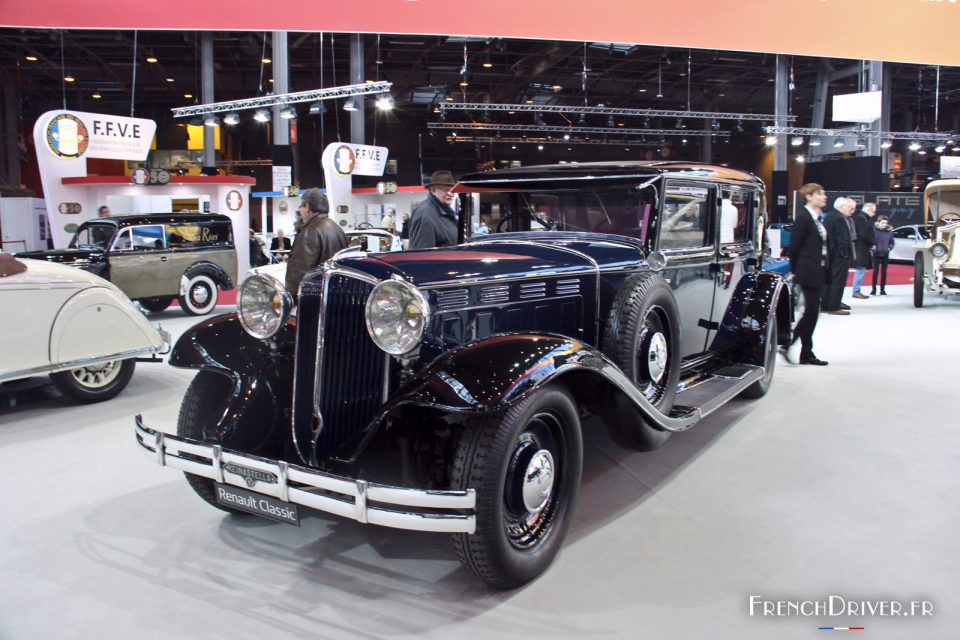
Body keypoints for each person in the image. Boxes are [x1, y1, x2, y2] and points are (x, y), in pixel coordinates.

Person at [781, 183, 830, 366]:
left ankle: (806, 352)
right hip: (807, 270)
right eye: (819, 193)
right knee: (811, 312)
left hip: (818, 269)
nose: (824, 196)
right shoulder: (803, 218)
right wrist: (794, 270)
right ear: (808, 196)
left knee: (812, 312)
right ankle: (789, 345)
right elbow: (794, 247)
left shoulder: (817, 219)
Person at [285, 189, 348, 296]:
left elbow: (298, 274)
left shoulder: (309, 232)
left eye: (301, 206)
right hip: (335, 296)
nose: (300, 211)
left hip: (314, 299)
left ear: (307, 207)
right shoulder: (337, 228)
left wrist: (291, 298)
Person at [822, 197, 855, 315]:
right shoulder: (839, 219)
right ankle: (834, 306)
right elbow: (842, 239)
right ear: (841, 206)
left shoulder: (830, 217)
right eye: (849, 207)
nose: (852, 210)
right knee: (838, 281)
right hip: (839, 257)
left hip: (830, 255)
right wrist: (845, 255)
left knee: (829, 281)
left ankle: (825, 304)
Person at [409, 170, 458, 249]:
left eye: (452, 190)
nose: (450, 194)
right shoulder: (425, 214)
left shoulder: (444, 211)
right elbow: (422, 256)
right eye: (446, 190)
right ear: (433, 190)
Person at [851, 202, 877, 299]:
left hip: (862, 248)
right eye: (873, 211)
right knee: (860, 270)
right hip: (861, 248)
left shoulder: (862, 218)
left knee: (861, 270)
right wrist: (872, 243)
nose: (874, 214)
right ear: (868, 209)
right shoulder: (861, 219)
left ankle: (856, 290)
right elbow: (863, 233)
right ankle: (856, 291)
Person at [871, 215, 895, 296]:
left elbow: (892, 242)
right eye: (882, 223)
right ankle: (873, 289)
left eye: (885, 223)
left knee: (884, 272)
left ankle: (882, 290)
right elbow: (870, 240)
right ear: (878, 222)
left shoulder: (889, 231)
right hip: (876, 253)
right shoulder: (874, 231)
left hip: (885, 253)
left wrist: (889, 248)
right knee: (875, 272)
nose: (884, 224)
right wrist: (873, 247)